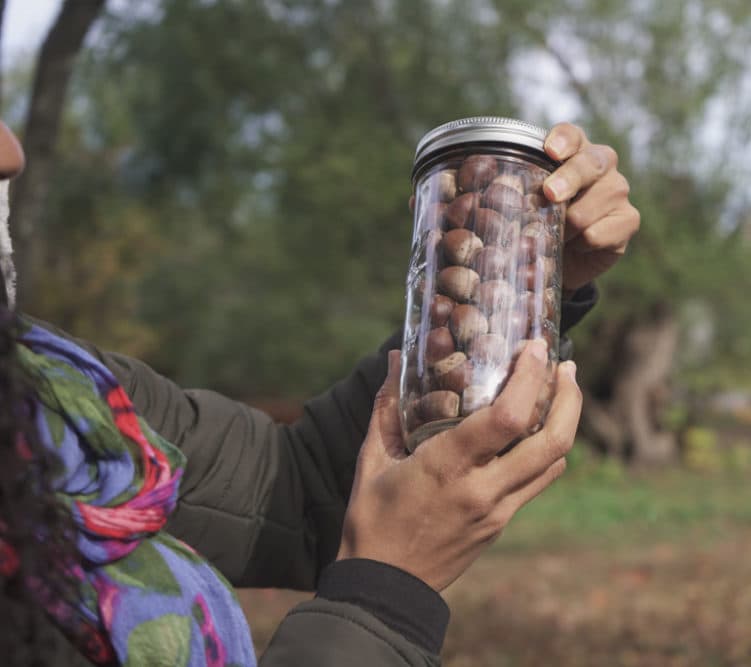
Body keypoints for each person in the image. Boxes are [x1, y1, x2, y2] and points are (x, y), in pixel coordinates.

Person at [0, 116, 640, 666]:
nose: (10, 151)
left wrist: (534, 277)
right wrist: (382, 599)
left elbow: (290, 492)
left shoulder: (46, 385)